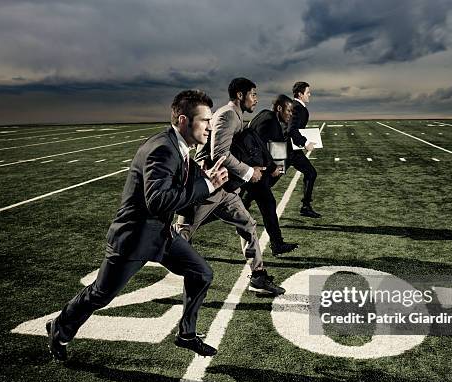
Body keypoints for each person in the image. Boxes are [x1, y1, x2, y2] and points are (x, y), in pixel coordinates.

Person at [46, 89, 229, 361]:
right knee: (100, 294)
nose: (210, 126)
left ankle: (186, 334)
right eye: (204, 120)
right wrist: (207, 185)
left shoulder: (179, 146)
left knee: (201, 273)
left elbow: (178, 187)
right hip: (135, 238)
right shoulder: (163, 149)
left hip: (162, 235)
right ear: (182, 120)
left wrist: (206, 180)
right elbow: (158, 201)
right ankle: (59, 327)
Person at [175, 77, 284, 295]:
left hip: (225, 188)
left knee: (248, 225)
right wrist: (248, 171)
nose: (256, 99)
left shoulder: (235, 116)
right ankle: (138, 253)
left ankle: (258, 276)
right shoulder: (227, 115)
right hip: (208, 186)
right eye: (253, 94)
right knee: (180, 236)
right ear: (239, 95)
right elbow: (219, 154)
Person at [245, 94, 298, 256]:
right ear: (279, 108)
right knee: (268, 204)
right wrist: (272, 166)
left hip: (256, 171)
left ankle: (277, 243)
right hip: (254, 171)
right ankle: (277, 244)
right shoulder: (269, 120)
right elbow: (257, 144)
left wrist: (278, 165)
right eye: (288, 110)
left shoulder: (269, 117)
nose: (290, 114)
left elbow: (275, 144)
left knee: (256, 202)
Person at [286, 81, 321, 218]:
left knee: (311, 173)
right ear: (300, 94)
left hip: (291, 150)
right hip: (288, 151)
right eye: (307, 92)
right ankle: (244, 200)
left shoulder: (294, 106)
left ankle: (306, 206)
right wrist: (305, 143)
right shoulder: (297, 108)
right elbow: (291, 129)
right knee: (269, 179)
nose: (309, 95)